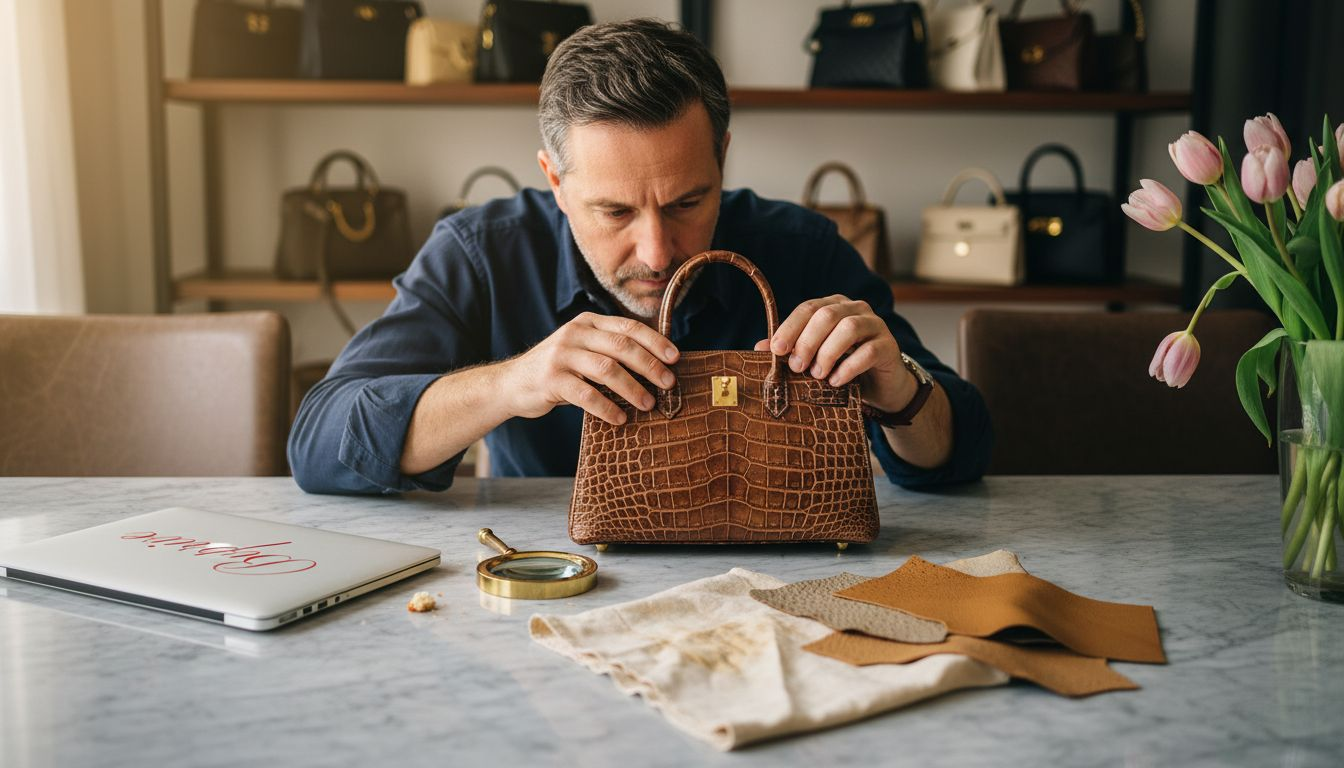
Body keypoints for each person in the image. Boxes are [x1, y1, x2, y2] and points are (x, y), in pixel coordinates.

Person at [288, 19, 992, 495]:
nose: (658, 253)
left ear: (722, 157)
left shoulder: (802, 248)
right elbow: (319, 441)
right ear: (555, 181)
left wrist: (902, 390)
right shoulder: (481, 253)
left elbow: (960, 457)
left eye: (688, 202)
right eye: (615, 211)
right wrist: (513, 383)